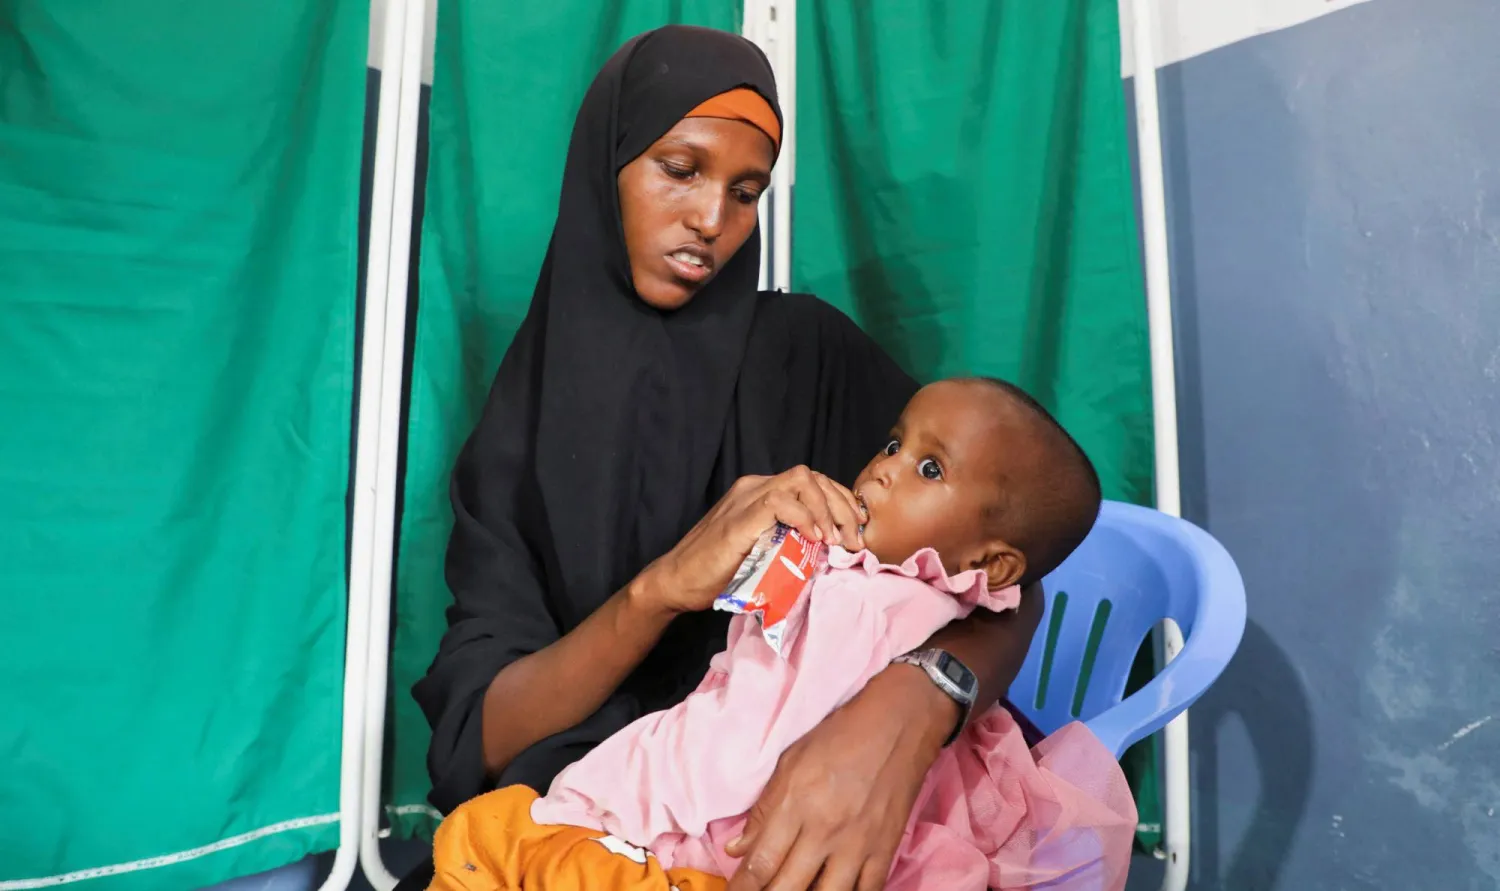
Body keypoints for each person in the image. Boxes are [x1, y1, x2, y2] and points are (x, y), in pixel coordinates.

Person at [397, 25, 1047, 891]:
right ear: (607, 168)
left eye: (746, 192)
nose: (712, 221)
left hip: (796, 833)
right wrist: (662, 587)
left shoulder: (809, 357)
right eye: (679, 169)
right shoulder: (519, 429)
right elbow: (487, 733)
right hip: (598, 825)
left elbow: (1008, 568)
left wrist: (911, 707)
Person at [424, 378, 1137, 891]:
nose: (885, 467)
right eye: (894, 442)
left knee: (494, 842)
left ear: (988, 561)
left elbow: (743, 755)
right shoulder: (857, 570)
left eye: (928, 468)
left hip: (726, 836)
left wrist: (620, 796)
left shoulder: (874, 603)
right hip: (714, 813)